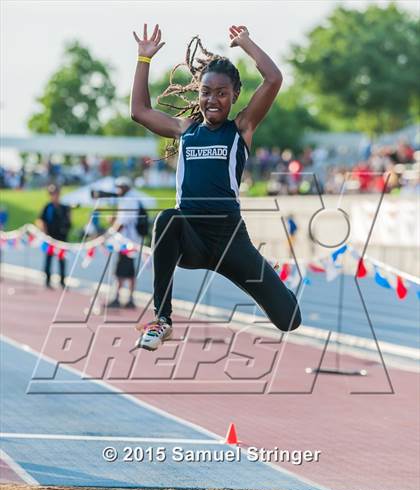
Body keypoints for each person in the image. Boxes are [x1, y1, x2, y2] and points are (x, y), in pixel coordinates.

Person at [131, 23, 301, 350]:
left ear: (234, 96)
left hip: (229, 241)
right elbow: (139, 111)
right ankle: (162, 319)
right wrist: (143, 59)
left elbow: (274, 78)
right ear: (198, 93)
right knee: (167, 219)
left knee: (290, 319)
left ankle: (273, 276)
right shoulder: (185, 130)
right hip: (191, 238)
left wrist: (247, 43)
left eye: (221, 93)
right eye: (206, 92)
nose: (212, 99)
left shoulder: (242, 128)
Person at [106, 177, 148, 309]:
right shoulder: (132, 199)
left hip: (126, 242)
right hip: (131, 241)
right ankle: (129, 298)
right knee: (129, 271)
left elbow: (122, 223)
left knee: (121, 271)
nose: (118, 189)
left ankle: (119, 298)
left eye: (121, 186)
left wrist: (108, 233)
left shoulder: (128, 201)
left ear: (126, 187)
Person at [37, 184, 71, 288]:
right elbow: (40, 220)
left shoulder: (64, 208)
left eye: (56, 193)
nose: (55, 195)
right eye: (52, 194)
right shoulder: (47, 207)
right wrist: (45, 233)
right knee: (49, 258)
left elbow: (68, 222)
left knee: (62, 259)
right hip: (50, 238)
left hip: (61, 238)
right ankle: (47, 280)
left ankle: (62, 281)